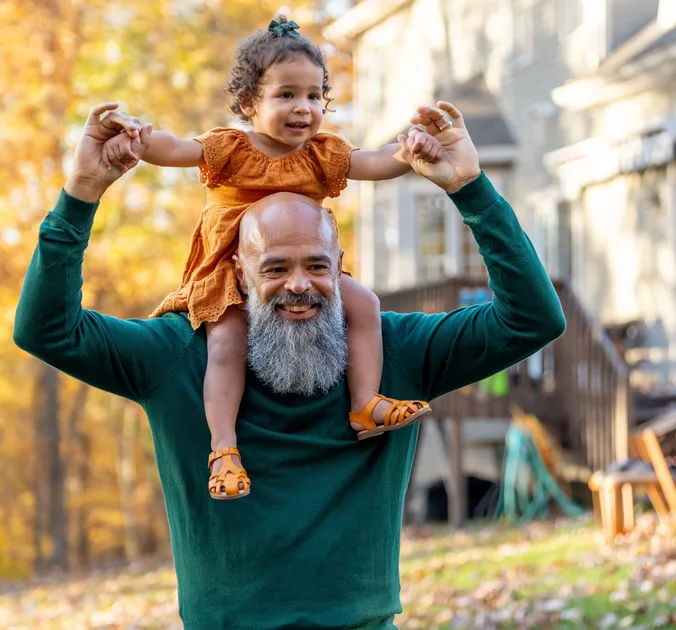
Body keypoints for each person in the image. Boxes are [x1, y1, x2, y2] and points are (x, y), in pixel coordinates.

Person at [13, 98, 566, 629]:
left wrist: (471, 191)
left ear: (341, 267)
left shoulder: (394, 352)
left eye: (316, 266)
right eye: (274, 267)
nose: (299, 285)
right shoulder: (178, 355)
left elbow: (532, 320)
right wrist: (82, 193)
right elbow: (47, 330)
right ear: (238, 270)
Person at [99, 16, 443, 500]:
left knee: (364, 303)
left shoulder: (323, 154)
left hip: (304, 270)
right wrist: (137, 136)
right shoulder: (229, 148)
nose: (303, 108)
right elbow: (174, 148)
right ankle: (224, 450)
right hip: (234, 270)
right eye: (286, 95)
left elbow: (377, 162)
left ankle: (365, 403)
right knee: (225, 342)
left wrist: (412, 148)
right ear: (248, 103)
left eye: (313, 96)